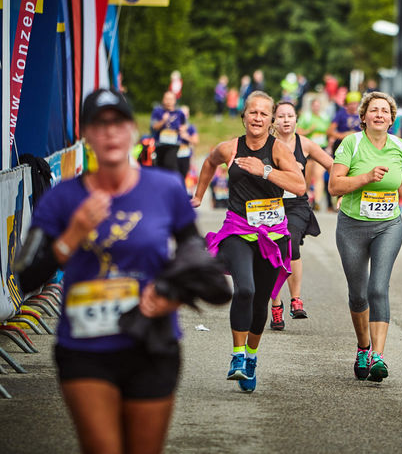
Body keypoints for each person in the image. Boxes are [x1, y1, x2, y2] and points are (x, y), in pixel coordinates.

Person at [15, 89, 199, 453]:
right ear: (86, 136)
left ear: (132, 130)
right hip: (86, 348)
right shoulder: (61, 198)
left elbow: (194, 250)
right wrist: (73, 234)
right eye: (100, 125)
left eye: (118, 123)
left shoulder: (165, 188)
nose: (110, 133)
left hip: (152, 342)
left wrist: (171, 293)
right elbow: (26, 275)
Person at [191, 91, 306, 393]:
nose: (257, 118)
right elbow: (208, 163)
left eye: (263, 114)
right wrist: (199, 195)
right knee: (245, 289)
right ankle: (237, 357)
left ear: (270, 121)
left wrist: (265, 170)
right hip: (238, 230)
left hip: (273, 236)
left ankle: (252, 358)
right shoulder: (230, 148)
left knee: (260, 303)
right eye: (252, 112)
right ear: (243, 117)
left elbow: (300, 185)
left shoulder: (279, 151)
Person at [328, 91, 402, 383]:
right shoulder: (351, 144)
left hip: (388, 225)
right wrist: (366, 177)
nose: (380, 115)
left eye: (385, 111)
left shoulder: (400, 146)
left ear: (392, 119)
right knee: (358, 294)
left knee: (378, 288)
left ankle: (378, 356)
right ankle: (363, 347)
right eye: (374, 110)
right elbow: (334, 186)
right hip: (352, 226)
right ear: (364, 117)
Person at [269, 101, 333, 330]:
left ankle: (296, 299)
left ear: (297, 120)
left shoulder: (304, 144)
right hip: (269, 205)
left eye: (290, 116)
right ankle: (276, 305)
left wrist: (346, 186)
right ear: (273, 120)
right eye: (281, 116)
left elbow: (331, 165)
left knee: (291, 243)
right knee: (271, 253)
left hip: (296, 204)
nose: (286, 120)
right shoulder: (265, 144)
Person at [297, 96, 332, 211]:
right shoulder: (306, 117)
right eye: (314, 105)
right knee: (307, 176)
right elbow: (298, 132)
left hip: (321, 148)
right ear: (311, 106)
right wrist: (309, 131)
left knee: (319, 175)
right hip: (308, 149)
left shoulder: (325, 117)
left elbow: (329, 131)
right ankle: (306, 196)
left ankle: (317, 200)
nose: (316, 107)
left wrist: (330, 145)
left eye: (318, 105)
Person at [150, 91, 187, 175]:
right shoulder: (157, 111)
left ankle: (175, 183)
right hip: (159, 144)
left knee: (170, 165)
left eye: (170, 99)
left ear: (174, 101)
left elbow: (185, 125)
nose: (168, 101)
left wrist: (182, 129)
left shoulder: (179, 113)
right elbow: (153, 127)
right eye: (166, 99)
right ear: (163, 100)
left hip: (173, 144)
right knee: (160, 167)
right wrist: (163, 121)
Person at [327, 91, 362, 155]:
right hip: (342, 143)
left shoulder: (362, 115)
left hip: (359, 144)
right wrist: (343, 135)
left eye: (355, 103)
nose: (353, 106)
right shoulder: (341, 114)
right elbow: (329, 131)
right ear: (347, 104)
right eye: (351, 104)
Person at [177, 106, 199, 183]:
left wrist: (187, 137)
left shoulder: (191, 127)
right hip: (174, 156)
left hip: (186, 156)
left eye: (185, 114)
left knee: (185, 178)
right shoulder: (174, 125)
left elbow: (196, 141)